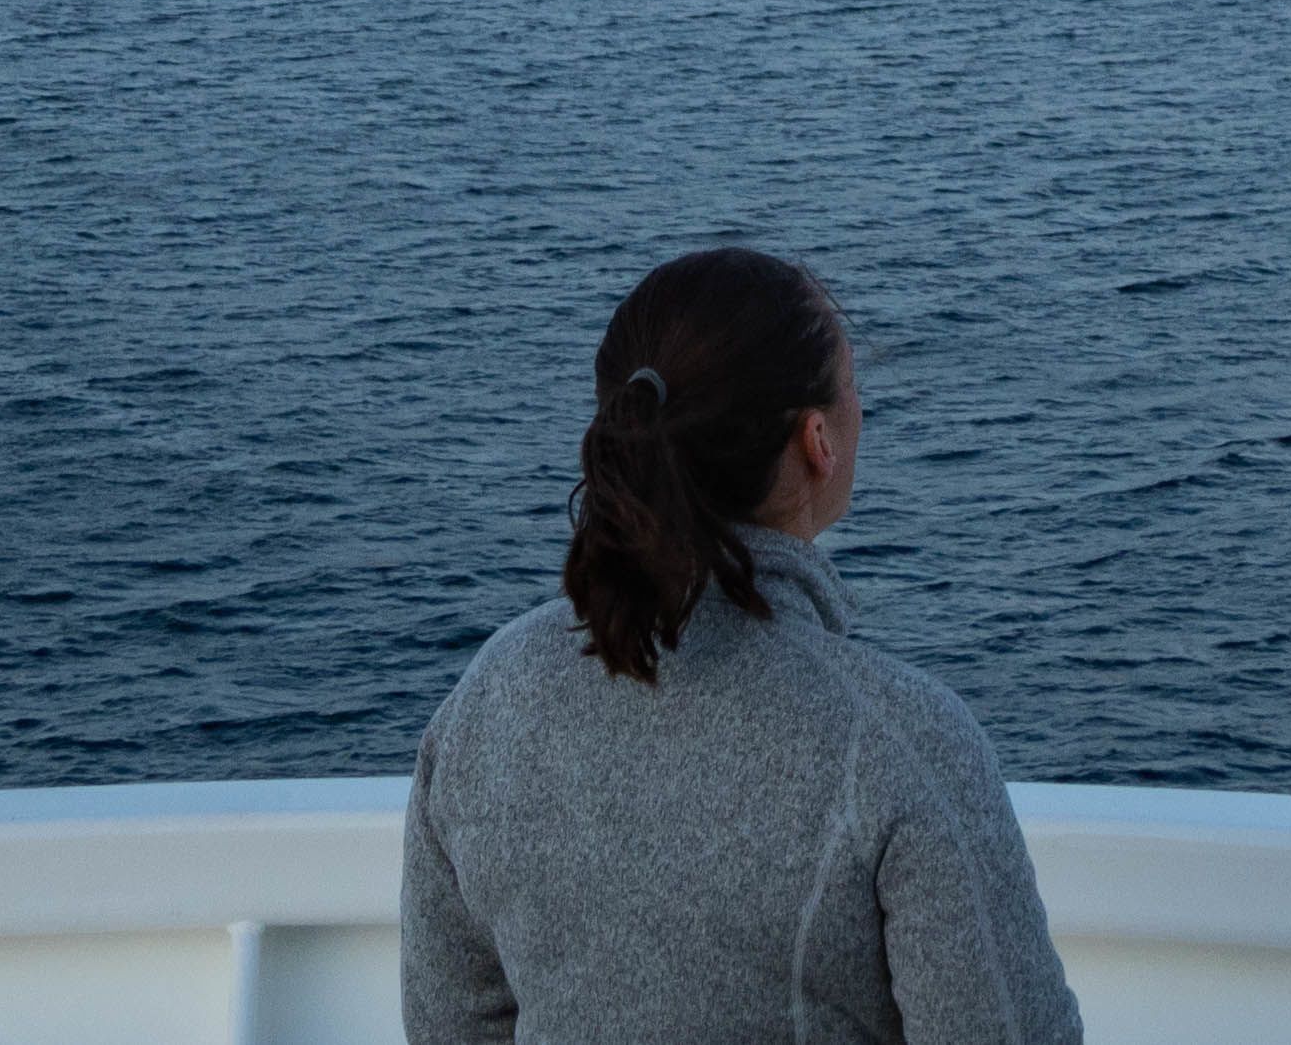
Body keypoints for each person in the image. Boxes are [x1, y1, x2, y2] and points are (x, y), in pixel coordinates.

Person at [402, 247, 1084, 1045]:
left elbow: (450, 1027)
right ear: (817, 439)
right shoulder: (901, 742)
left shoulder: (490, 699)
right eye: (853, 382)